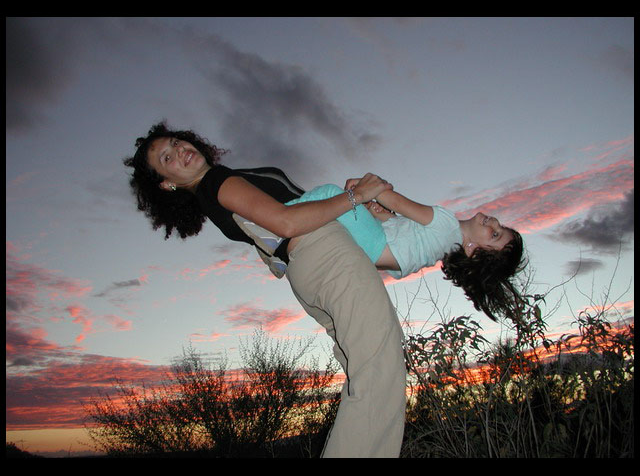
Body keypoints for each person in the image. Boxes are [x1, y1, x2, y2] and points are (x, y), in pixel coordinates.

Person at [124, 122, 406, 458]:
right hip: (322, 251)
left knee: (366, 368)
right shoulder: (216, 182)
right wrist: (355, 197)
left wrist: (360, 213)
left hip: (311, 265)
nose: (179, 150)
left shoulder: (213, 194)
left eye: (175, 142)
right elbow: (286, 222)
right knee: (378, 367)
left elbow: (271, 237)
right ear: (167, 183)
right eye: (167, 158)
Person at [235, 182, 526, 323]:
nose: (494, 222)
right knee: (338, 214)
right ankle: (279, 256)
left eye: (495, 235)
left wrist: (371, 186)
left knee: (330, 194)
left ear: (473, 250)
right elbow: (403, 229)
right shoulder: (441, 248)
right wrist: (376, 213)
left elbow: (398, 202)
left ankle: (275, 221)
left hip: (377, 244)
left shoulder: (448, 223)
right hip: (377, 253)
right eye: (500, 227)